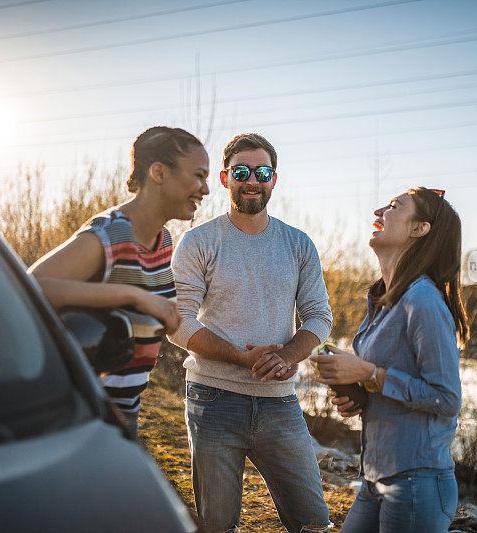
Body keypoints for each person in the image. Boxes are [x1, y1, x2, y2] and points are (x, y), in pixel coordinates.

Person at [168, 133, 332, 533]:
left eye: (262, 172)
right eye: (242, 172)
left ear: (274, 179)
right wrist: (241, 357)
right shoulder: (198, 241)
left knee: (314, 523)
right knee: (218, 526)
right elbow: (178, 322)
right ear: (225, 179)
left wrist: (287, 356)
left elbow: (319, 317)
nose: (252, 181)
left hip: (280, 402)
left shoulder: (298, 244)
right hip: (213, 399)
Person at [30, 126, 210, 434]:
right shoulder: (110, 234)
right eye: (198, 176)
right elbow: (33, 286)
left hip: (123, 420)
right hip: (77, 424)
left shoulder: (164, 240)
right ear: (158, 172)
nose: (205, 190)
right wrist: (133, 296)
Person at [310, 187, 468, 533]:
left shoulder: (422, 301)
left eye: (394, 206)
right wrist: (358, 391)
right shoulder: (383, 300)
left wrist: (369, 372)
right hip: (374, 477)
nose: (379, 210)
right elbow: (387, 380)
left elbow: (446, 398)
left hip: (416, 483)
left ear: (419, 228)